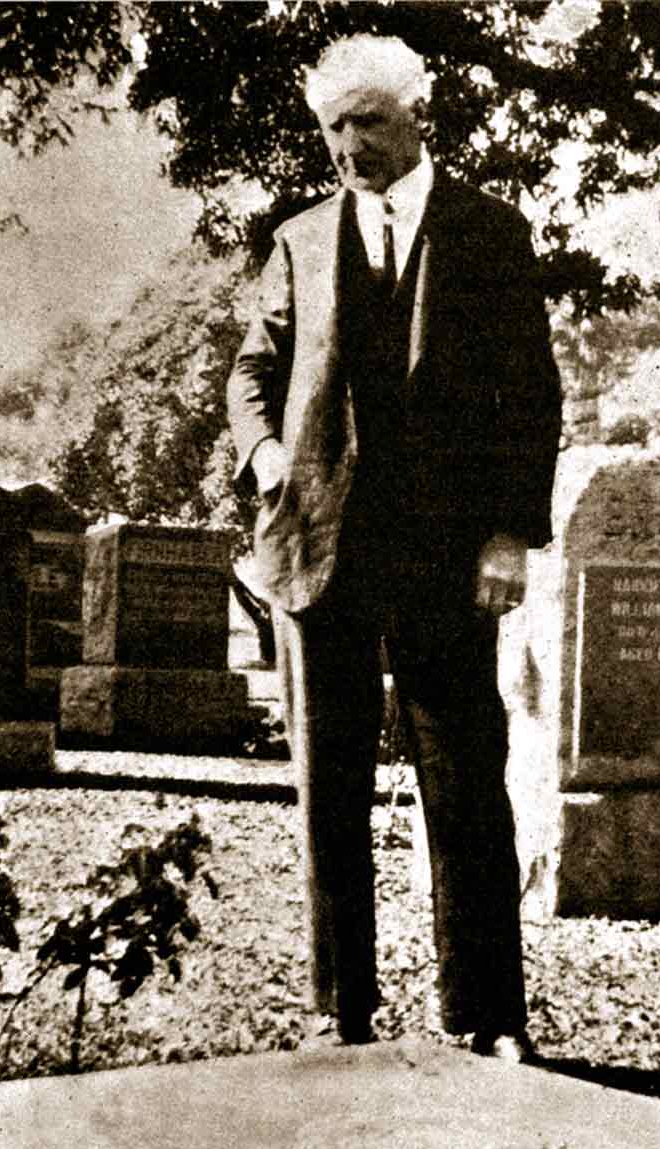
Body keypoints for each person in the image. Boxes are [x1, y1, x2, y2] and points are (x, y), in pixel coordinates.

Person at [227, 34, 562, 1059]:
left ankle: (486, 1014)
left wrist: (508, 533)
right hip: (320, 548)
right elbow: (252, 370)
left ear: (420, 115)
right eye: (332, 127)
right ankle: (345, 1010)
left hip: (443, 554)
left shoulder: (489, 233)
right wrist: (267, 450)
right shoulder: (297, 239)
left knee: (462, 779)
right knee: (328, 785)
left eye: (367, 120)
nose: (347, 145)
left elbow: (531, 396)